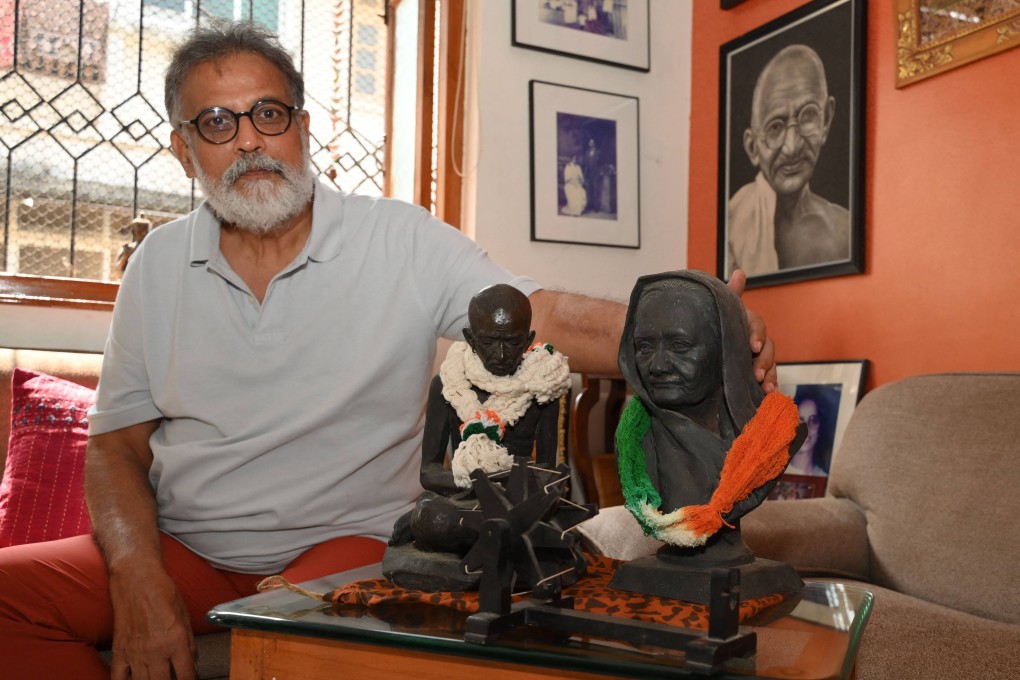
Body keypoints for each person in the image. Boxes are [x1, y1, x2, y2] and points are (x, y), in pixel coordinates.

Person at [0, 22, 778, 680]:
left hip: (347, 548)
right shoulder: (158, 266)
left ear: (303, 126)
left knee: (293, 642)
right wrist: (138, 578)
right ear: (182, 149)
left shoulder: (400, 238)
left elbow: (535, 313)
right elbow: (113, 449)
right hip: (185, 546)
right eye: (217, 122)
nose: (248, 141)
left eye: (268, 114)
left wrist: (696, 330)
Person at [384, 284, 572, 589]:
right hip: (463, 499)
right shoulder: (448, 387)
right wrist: (478, 483)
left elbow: (549, 474)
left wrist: (507, 486)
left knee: (527, 523)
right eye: (489, 341)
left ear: (528, 340)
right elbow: (429, 472)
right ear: (470, 339)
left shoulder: (544, 387)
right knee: (437, 518)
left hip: (517, 504)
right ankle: (456, 540)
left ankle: (467, 545)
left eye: (512, 342)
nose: (500, 354)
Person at [614, 271, 804, 566]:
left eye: (680, 345)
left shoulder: (775, 432)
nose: (659, 365)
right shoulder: (634, 437)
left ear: (726, 346)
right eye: (645, 347)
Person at [727, 44, 850, 278]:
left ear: (826, 120)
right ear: (753, 146)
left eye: (808, 116)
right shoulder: (733, 225)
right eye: (776, 127)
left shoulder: (843, 231)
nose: (792, 146)